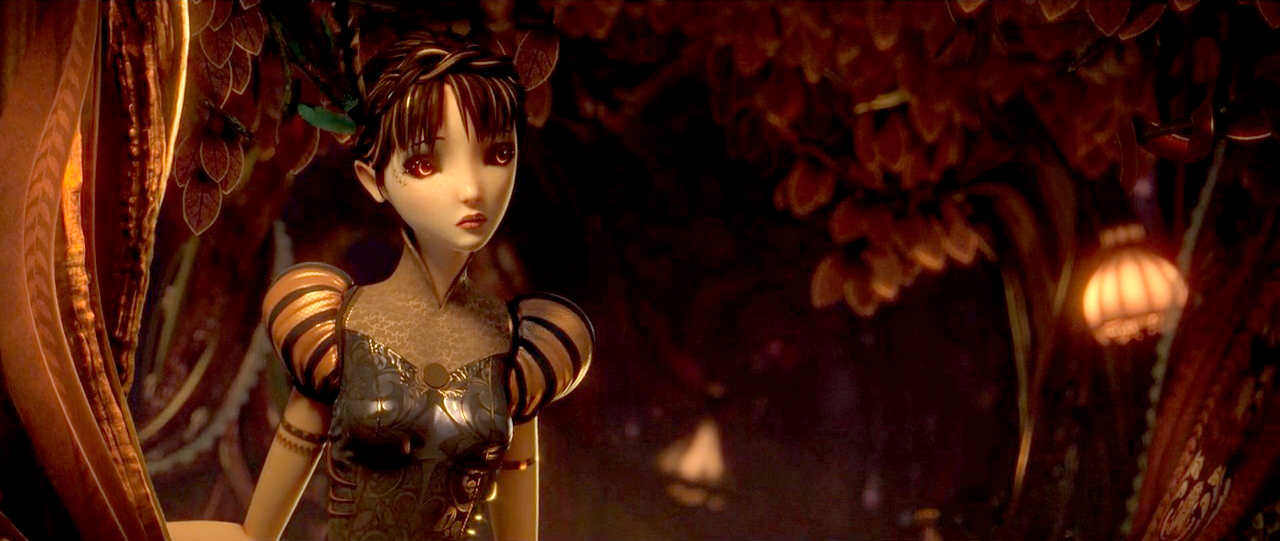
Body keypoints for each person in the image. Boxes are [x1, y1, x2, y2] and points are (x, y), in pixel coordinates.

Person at [168, 31, 593, 541]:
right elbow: (254, 534)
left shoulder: (522, 350)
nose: (472, 188)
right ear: (374, 179)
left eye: (498, 154)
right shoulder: (333, 331)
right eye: (426, 163)